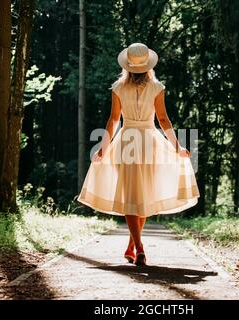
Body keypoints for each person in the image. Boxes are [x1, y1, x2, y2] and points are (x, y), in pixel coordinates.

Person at [77, 43, 200, 266]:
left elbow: (114, 120)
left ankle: (135, 245)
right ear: (148, 65)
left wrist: (104, 147)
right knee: (141, 195)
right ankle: (138, 246)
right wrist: (177, 147)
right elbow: (163, 120)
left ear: (127, 66)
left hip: (126, 142)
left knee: (132, 195)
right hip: (149, 142)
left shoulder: (117, 87)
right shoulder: (156, 87)